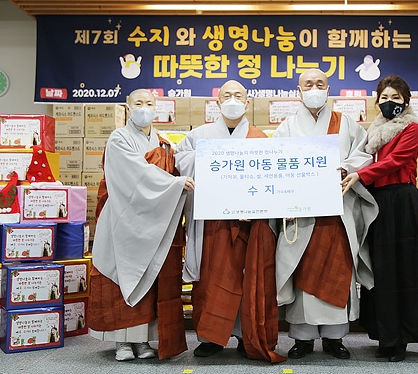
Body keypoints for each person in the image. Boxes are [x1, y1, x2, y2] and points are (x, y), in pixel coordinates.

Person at [175, 80, 284, 363]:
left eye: (238, 95)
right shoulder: (199, 136)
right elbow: (180, 163)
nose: (232, 100)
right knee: (212, 278)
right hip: (212, 223)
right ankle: (210, 338)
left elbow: (271, 181)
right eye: (227, 95)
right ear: (217, 102)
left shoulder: (260, 139)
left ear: (247, 103)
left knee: (246, 279)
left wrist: (255, 206)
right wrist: (207, 156)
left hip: (248, 224)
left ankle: (244, 335)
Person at [272, 68, 378, 360]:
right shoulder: (287, 126)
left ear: (328, 89)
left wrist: (346, 168)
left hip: (337, 213)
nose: (314, 89)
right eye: (308, 84)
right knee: (302, 271)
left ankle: (335, 337)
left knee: (337, 270)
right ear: (299, 90)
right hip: (301, 212)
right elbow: (276, 164)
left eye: (320, 84)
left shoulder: (346, 123)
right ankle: (302, 338)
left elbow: (363, 154)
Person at [341, 74, 418, 362]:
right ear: (377, 102)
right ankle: (384, 335)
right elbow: (360, 158)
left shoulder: (412, 128)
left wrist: (360, 175)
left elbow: (395, 161)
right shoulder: (373, 131)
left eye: (395, 98)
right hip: (377, 203)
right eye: (384, 98)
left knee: (404, 268)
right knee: (381, 268)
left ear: (406, 101)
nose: (389, 102)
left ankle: (401, 340)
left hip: (402, 203)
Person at [88, 88, 195, 361]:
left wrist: (178, 184)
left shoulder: (163, 144)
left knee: (148, 281)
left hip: (152, 222)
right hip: (122, 218)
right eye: (138, 103)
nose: (144, 107)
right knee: (121, 278)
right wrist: (174, 184)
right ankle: (121, 342)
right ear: (128, 106)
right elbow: (134, 174)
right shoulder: (118, 138)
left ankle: (142, 340)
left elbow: (171, 176)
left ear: (156, 107)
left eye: (149, 103)